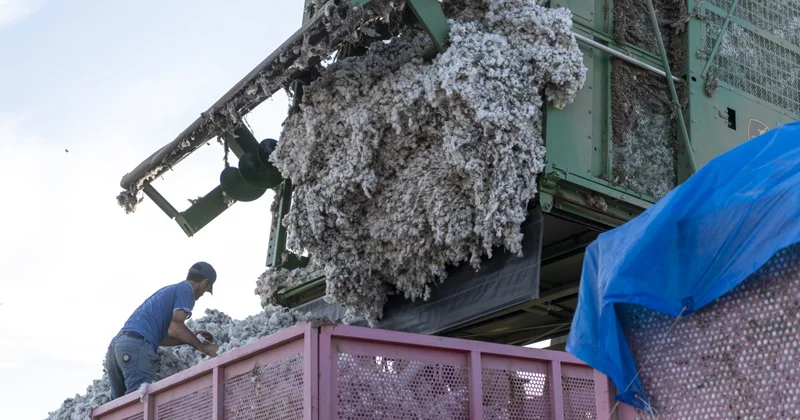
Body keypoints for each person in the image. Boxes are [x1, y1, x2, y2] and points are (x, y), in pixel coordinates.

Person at [104, 262, 221, 399]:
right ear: (204, 283)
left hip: (118, 347)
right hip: (136, 347)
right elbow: (175, 326)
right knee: (140, 405)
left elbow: (165, 336)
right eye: (206, 290)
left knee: (119, 406)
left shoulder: (168, 291)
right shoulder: (187, 290)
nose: (202, 295)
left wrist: (191, 338)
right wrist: (204, 347)